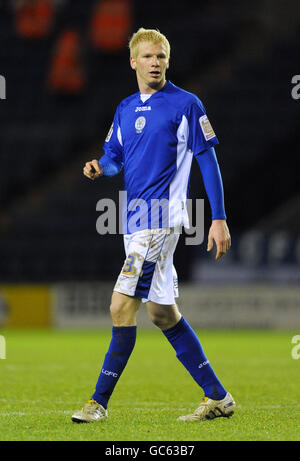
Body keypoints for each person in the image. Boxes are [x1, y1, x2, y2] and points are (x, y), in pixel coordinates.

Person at [72, 28, 235, 423]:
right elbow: (115, 157)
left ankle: (98, 403)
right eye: (147, 56)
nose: (155, 62)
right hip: (133, 221)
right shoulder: (126, 108)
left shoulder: (186, 104)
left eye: (161, 56)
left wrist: (218, 218)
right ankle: (218, 396)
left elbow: (207, 160)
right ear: (133, 61)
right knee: (163, 314)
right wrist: (100, 166)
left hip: (160, 222)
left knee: (120, 307)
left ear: (168, 60)